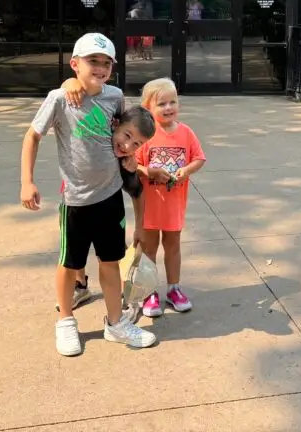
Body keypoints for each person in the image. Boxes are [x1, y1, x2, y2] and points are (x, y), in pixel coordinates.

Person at [20, 32, 158, 356]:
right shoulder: (59, 98)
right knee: (69, 265)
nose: (99, 67)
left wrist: (130, 157)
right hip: (77, 202)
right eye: (92, 61)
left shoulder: (115, 96)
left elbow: (124, 133)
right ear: (74, 63)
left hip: (110, 198)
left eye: (105, 63)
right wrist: (27, 181)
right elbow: (32, 136)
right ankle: (66, 321)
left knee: (111, 262)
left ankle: (116, 323)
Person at [55, 105, 155, 314]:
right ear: (116, 125)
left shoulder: (124, 162)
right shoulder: (93, 137)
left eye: (136, 144)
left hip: (107, 209)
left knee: (108, 259)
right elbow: (78, 102)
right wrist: (69, 85)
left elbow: (137, 191)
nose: (127, 145)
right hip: (76, 203)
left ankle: (117, 306)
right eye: (127, 136)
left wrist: (140, 227)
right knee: (74, 258)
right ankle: (79, 287)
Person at [136, 77, 206, 317]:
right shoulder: (144, 134)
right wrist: (150, 171)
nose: (168, 108)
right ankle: (149, 292)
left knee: (173, 246)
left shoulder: (186, 132)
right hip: (148, 205)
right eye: (161, 104)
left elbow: (199, 158)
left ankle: (174, 288)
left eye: (172, 102)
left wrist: (186, 170)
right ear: (148, 107)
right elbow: (131, 164)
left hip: (174, 205)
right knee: (149, 249)